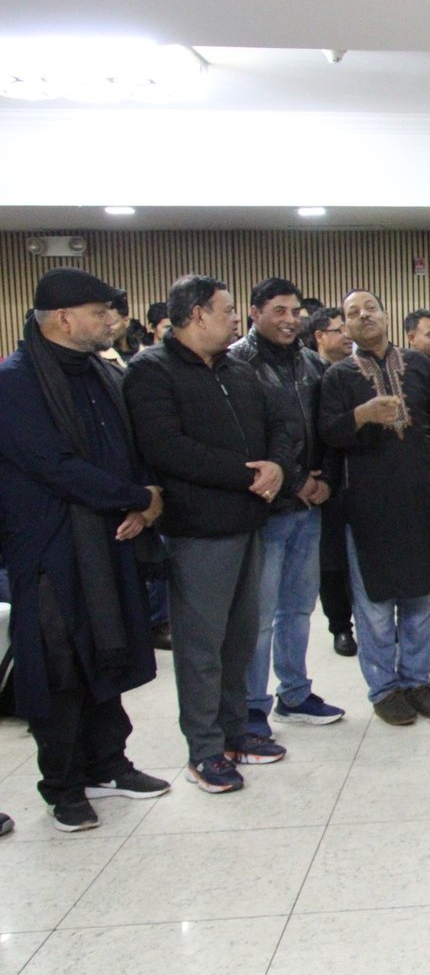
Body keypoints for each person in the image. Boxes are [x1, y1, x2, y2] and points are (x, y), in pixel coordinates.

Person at [0, 267, 171, 831]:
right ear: (63, 318)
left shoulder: (100, 372)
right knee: (61, 668)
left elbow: (130, 447)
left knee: (107, 653)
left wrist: (146, 500)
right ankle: (63, 786)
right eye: (99, 313)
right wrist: (135, 497)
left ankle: (109, 764)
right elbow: (53, 465)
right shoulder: (16, 382)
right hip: (50, 550)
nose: (110, 322)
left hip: (107, 536)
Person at [125, 274, 294, 792]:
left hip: (249, 523)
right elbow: (167, 448)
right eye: (227, 310)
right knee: (201, 647)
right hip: (198, 531)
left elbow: (283, 421)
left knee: (239, 641)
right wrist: (248, 476)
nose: (236, 319)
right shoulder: (152, 371)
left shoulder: (237, 370)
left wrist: (277, 466)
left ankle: (236, 732)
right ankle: (205, 749)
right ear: (197, 314)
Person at [321, 289, 430, 725]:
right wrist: (361, 415)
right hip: (368, 504)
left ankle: (417, 682)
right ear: (345, 325)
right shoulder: (338, 376)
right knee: (375, 607)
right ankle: (384, 690)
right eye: (353, 313)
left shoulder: (418, 365)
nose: (364, 316)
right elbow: (328, 433)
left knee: (419, 599)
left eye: (370, 308)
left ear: (386, 314)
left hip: (420, 498)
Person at [229, 277, 346, 738]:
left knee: (298, 609)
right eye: (278, 310)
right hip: (266, 507)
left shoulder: (311, 361)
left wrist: (325, 481)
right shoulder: (237, 363)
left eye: (295, 311)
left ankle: (294, 693)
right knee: (259, 617)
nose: (289, 320)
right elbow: (247, 439)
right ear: (254, 312)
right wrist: (297, 482)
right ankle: (252, 706)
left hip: (309, 506)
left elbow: (327, 428)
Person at [305, 306, 359, 654]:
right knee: (333, 561)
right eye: (339, 329)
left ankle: (375, 624)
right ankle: (341, 626)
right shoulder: (308, 375)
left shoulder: (357, 371)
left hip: (360, 477)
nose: (347, 335)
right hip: (326, 482)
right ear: (320, 336)